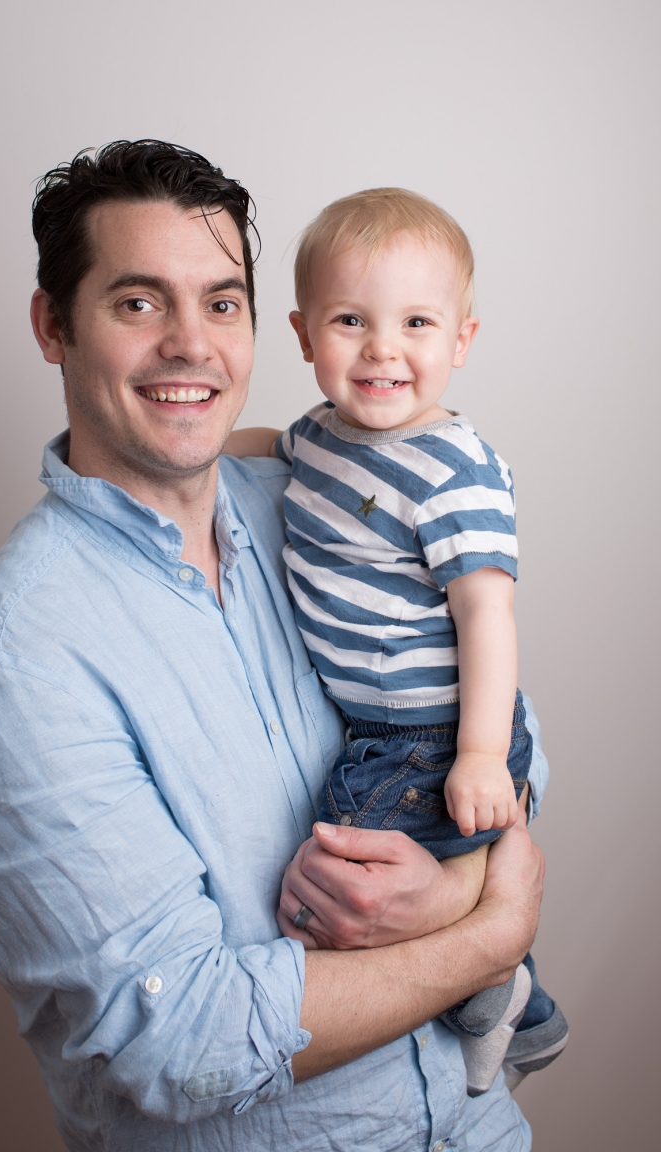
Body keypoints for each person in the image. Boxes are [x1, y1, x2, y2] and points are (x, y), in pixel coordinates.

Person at [0, 140, 544, 1152]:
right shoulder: (16, 662)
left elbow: (516, 739)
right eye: (137, 302)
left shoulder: (316, 497)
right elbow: (179, 1042)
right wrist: (490, 933)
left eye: (219, 302)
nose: (191, 345)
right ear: (52, 325)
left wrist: (448, 888)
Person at [225, 188, 568, 1095]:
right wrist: (211, 447)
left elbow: (486, 617)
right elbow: (273, 445)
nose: (383, 348)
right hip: (374, 730)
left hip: (437, 733)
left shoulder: (456, 470)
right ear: (304, 337)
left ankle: (500, 991)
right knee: (357, 888)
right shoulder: (324, 436)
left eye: (417, 322)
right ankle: (517, 1004)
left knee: (333, 894)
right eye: (351, 320)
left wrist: (483, 756)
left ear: (461, 340)